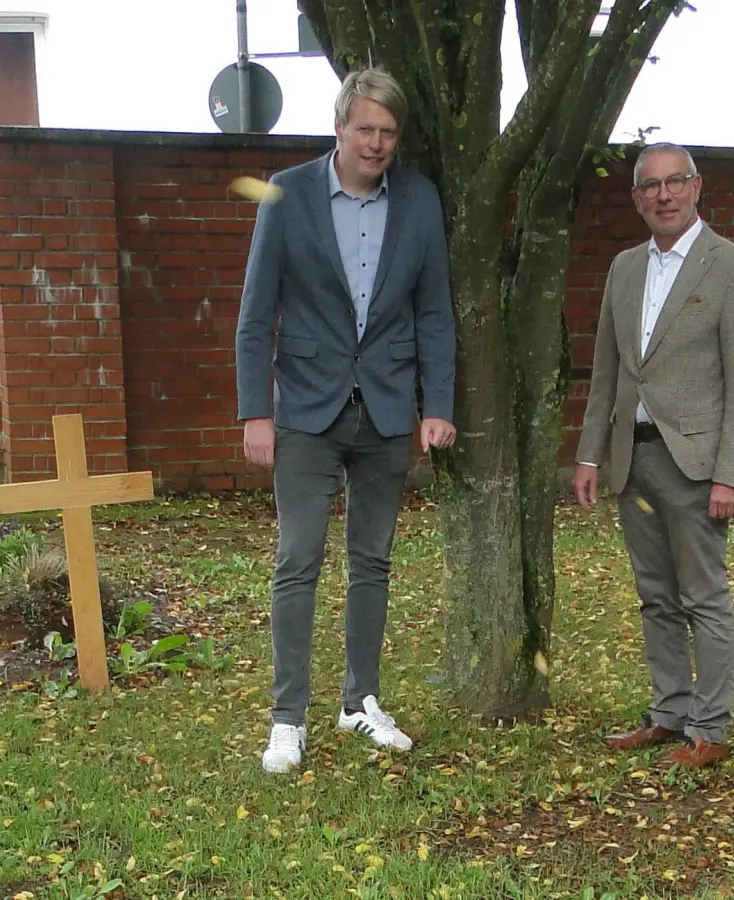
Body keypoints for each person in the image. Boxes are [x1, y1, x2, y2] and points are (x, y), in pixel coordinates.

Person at [235, 68, 457, 774]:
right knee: (297, 561)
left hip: (388, 408)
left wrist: (439, 405)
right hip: (304, 407)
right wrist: (255, 413)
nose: (377, 143)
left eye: (389, 132)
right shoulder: (289, 193)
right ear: (339, 127)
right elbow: (253, 314)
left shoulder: (419, 199)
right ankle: (286, 718)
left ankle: (359, 702)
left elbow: (434, 313)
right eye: (365, 128)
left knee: (373, 563)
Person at [571, 142, 734, 769]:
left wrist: (732, 474)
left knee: (702, 597)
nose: (663, 195)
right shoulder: (625, 269)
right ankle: (668, 712)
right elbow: (606, 370)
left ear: (696, 186)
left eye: (674, 182)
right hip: (634, 459)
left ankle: (709, 729)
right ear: (636, 199)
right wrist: (589, 455)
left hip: (698, 465)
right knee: (655, 596)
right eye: (649, 186)